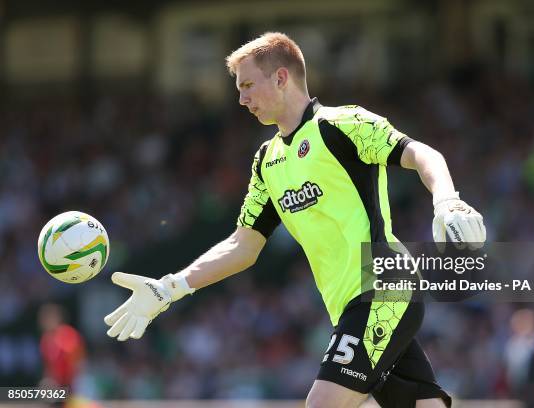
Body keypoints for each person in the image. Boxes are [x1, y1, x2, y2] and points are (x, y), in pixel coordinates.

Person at [104, 32, 486, 408]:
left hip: (383, 288)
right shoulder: (267, 162)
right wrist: (168, 289)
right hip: (349, 306)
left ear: (281, 78)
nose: (241, 99)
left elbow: (422, 154)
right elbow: (243, 246)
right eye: (239, 89)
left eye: (248, 85)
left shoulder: (343, 125)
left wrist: (447, 202)